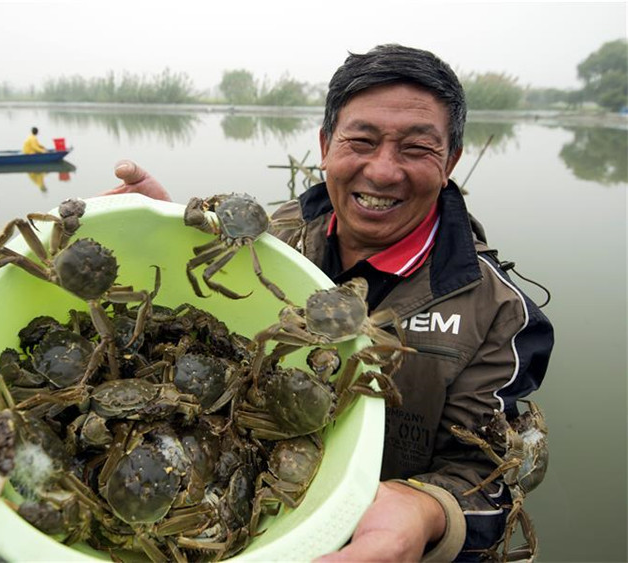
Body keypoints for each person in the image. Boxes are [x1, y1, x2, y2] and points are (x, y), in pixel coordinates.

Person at [104, 44, 554, 562]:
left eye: (416, 148)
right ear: (325, 144)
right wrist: (166, 238)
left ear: (450, 160)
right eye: (360, 140)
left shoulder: (500, 312)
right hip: (249, 518)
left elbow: (490, 475)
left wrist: (426, 512)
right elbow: (194, 329)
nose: (383, 172)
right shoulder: (268, 240)